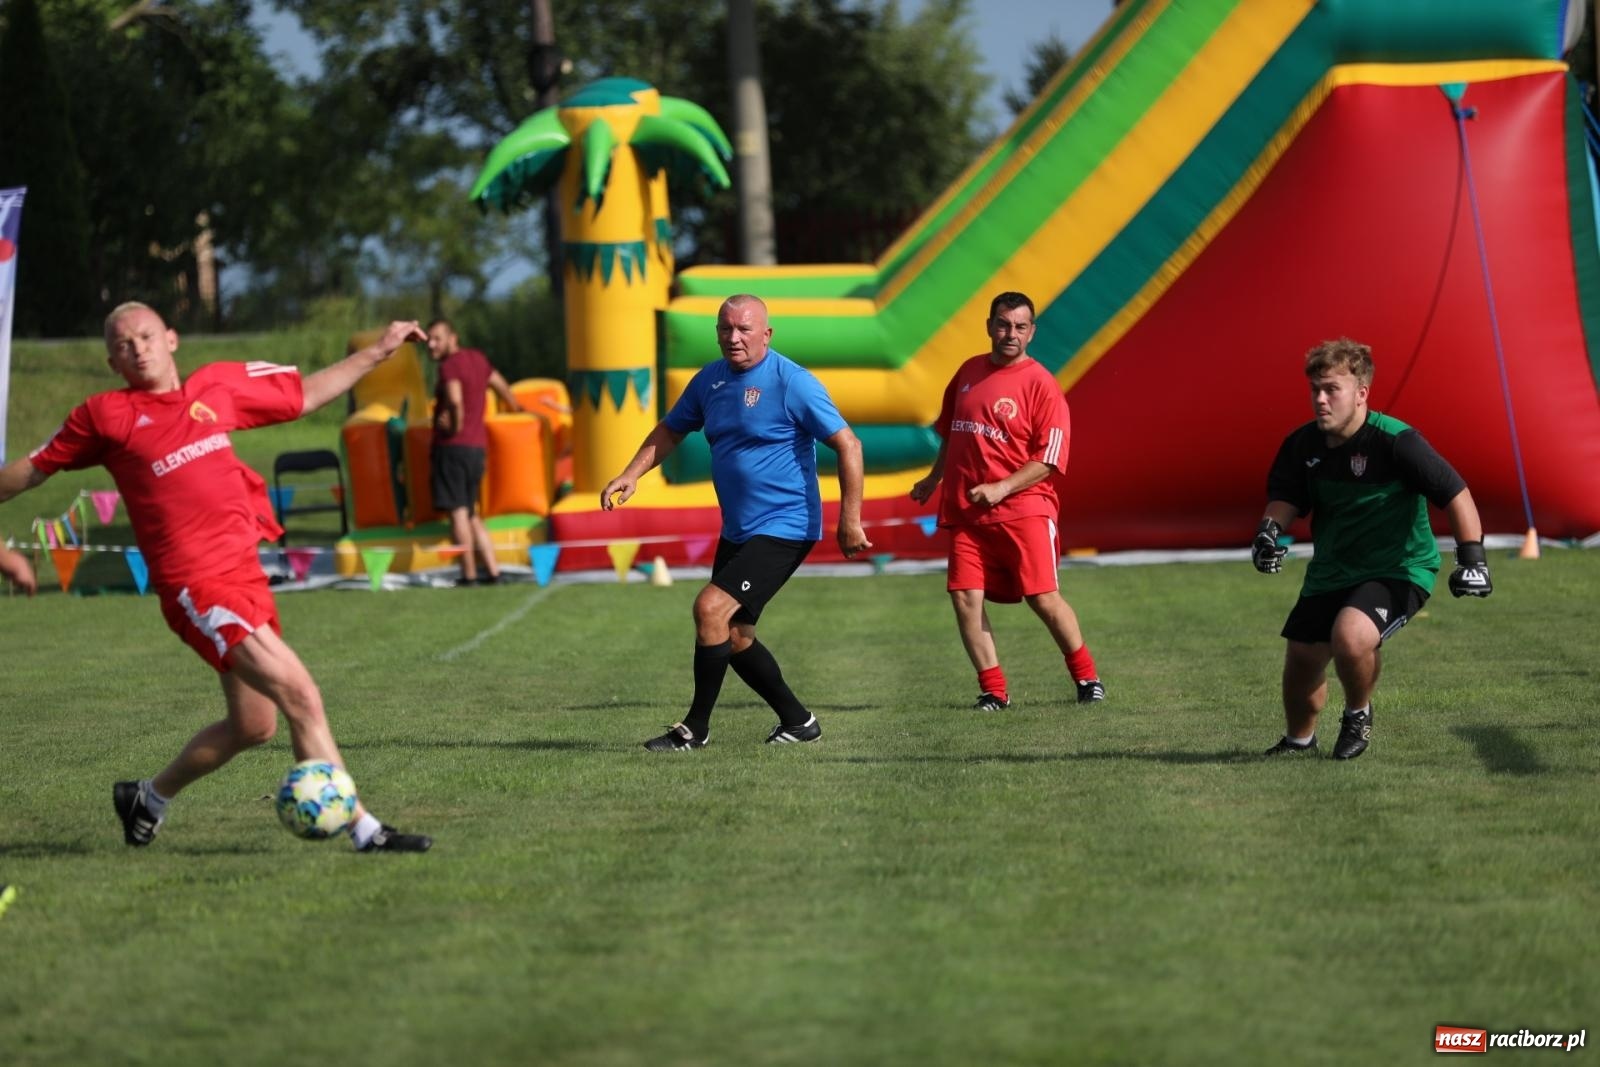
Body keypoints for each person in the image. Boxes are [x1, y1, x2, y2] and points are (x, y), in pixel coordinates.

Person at [0, 302, 433, 851]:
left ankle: (147, 798)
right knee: (301, 694)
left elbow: (304, 395)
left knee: (255, 725)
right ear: (113, 361)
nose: (139, 347)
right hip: (197, 586)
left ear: (171, 339)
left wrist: (376, 352)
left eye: (147, 335)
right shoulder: (104, 416)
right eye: (125, 344)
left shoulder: (218, 387)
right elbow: (31, 471)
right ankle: (365, 831)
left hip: (243, 576)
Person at [601, 293, 871, 750]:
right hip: (739, 530)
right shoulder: (710, 380)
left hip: (785, 526)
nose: (734, 338)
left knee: (709, 609)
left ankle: (694, 730)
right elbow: (671, 429)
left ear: (767, 334)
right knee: (733, 635)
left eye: (745, 329)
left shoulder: (793, 383)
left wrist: (851, 520)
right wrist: (631, 474)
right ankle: (798, 722)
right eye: (726, 329)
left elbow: (850, 445)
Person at [1254, 336, 1491, 760]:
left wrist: (1472, 559)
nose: (1321, 400)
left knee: (1350, 636)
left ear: (1361, 393)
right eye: (1315, 391)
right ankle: (1299, 742)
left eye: (1332, 390)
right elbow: (1287, 498)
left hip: (1398, 569)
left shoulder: (1398, 442)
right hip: (1332, 569)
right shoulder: (1302, 445)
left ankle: (1357, 712)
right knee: (1303, 658)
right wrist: (1269, 532)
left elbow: (1456, 493)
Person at [910, 291, 1104, 711]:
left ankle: (1087, 677)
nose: (1009, 333)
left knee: (1043, 597)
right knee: (964, 597)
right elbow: (952, 432)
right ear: (989, 326)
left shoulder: (1042, 385)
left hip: (1024, 508)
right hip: (965, 511)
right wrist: (933, 478)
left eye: (1019, 326)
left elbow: (1049, 460)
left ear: (1031, 332)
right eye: (1002, 324)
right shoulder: (967, 372)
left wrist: (1000, 488)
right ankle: (994, 691)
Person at [426, 318, 524, 586]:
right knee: (471, 513)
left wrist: (454, 426)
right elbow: (501, 385)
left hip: (453, 449)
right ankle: (494, 572)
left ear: (452, 338)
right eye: (428, 340)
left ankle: (468, 575)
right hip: (477, 449)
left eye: (437, 338)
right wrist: (516, 409)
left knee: (458, 513)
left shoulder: (449, 366)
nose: (431, 345)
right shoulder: (478, 359)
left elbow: (455, 400)